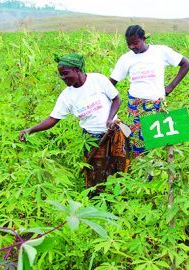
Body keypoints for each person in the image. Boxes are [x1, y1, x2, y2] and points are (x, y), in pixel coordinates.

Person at [19, 53, 130, 193]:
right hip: (92, 138)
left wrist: (110, 118)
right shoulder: (67, 96)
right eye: (61, 75)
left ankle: (120, 200)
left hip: (115, 131)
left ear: (77, 70)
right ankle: (97, 204)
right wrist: (30, 130)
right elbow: (53, 119)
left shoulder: (98, 80)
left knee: (120, 169)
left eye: (65, 74)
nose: (63, 78)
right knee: (95, 175)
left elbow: (117, 99)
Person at [110, 25, 189, 157]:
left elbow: (186, 63)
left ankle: (155, 175)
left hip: (157, 105)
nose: (132, 47)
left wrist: (170, 87)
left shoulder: (160, 51)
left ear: (144, 39)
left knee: (157, 145)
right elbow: (111, 83)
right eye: (128, 44)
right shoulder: (126, 59)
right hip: (136, 107)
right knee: (137, 144)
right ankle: (139, 175)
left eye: (135, 43)